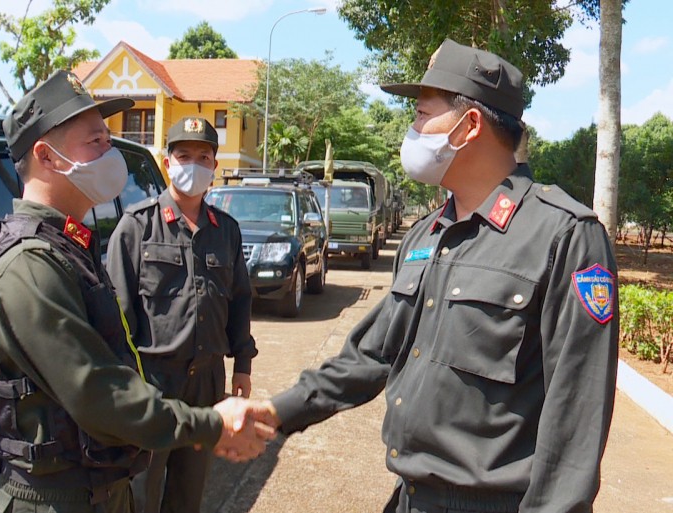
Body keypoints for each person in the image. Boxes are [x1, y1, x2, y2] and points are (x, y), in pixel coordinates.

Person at [248, 39, 619, 513]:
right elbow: (371, 355)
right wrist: (278, 412)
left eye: (422, 115)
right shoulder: (427, 233)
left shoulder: (563, 235)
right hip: (411, 499)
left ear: (468, 125)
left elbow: (577, 412)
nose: (413, 129)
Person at [0, 71, 272, 513]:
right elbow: (100, 392)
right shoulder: (29, 265)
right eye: (96, 142)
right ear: (46, 156)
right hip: (60, 494)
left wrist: (235, 370)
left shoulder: (69, 246)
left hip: (99, 482)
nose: (110, 154)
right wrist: (210, 424)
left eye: (109, 141)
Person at [106, 116, 256, 513]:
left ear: (214, 167)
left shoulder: (226, 229)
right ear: (167, 161)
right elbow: (117, 314)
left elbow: (240, 298)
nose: (193, 164)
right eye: (183, 155)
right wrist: (126, 385)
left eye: (202, 156)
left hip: (206, 383)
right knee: (141, 493)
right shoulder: (135, 227)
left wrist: (243, 364)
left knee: (189, 494)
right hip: (152, 382)